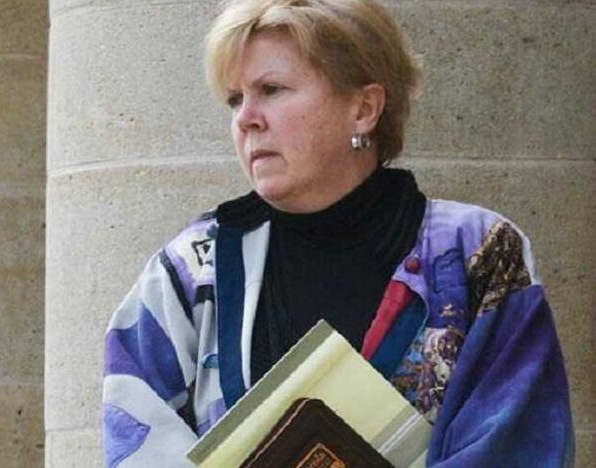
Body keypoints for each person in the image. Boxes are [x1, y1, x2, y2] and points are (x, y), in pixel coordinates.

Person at [102, 1, 574, 466]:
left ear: (364, 108)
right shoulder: (190, 269)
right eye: (235, 99)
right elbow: (135, 437)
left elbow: (521, 445)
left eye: (271, 89)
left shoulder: (479, 251)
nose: (246, 119)